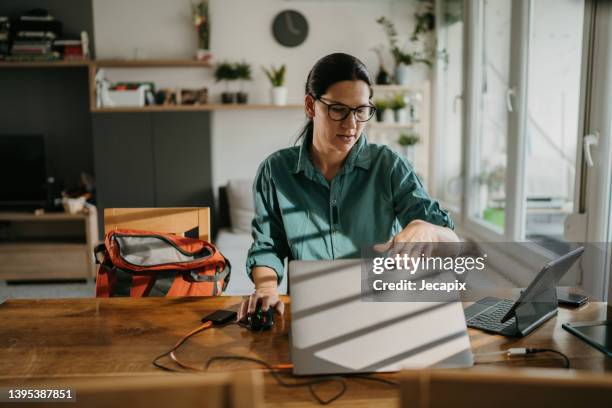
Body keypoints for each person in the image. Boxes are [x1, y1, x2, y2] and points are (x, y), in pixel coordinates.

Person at [237, 53, 458, 321]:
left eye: (361, 110)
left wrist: (428, 229)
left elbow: (451, 240)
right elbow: (268, 246)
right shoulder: (275, 171)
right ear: (310, 106)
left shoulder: (389, 165)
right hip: (312, 314)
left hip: (384, 311)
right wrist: (266, 288)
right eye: (338, 109)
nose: (352, 124)